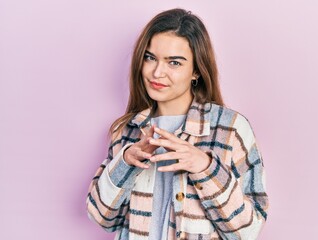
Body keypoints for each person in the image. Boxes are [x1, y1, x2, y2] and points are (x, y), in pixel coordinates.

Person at [86, 8, 269, 240]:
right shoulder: (127, 129)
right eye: (150, 58)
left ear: (196, 71)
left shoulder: (230, 129)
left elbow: (248, 231)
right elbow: (102, 218)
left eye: (174, 63)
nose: (157, 72)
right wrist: (125, 163)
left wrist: (205, 167)